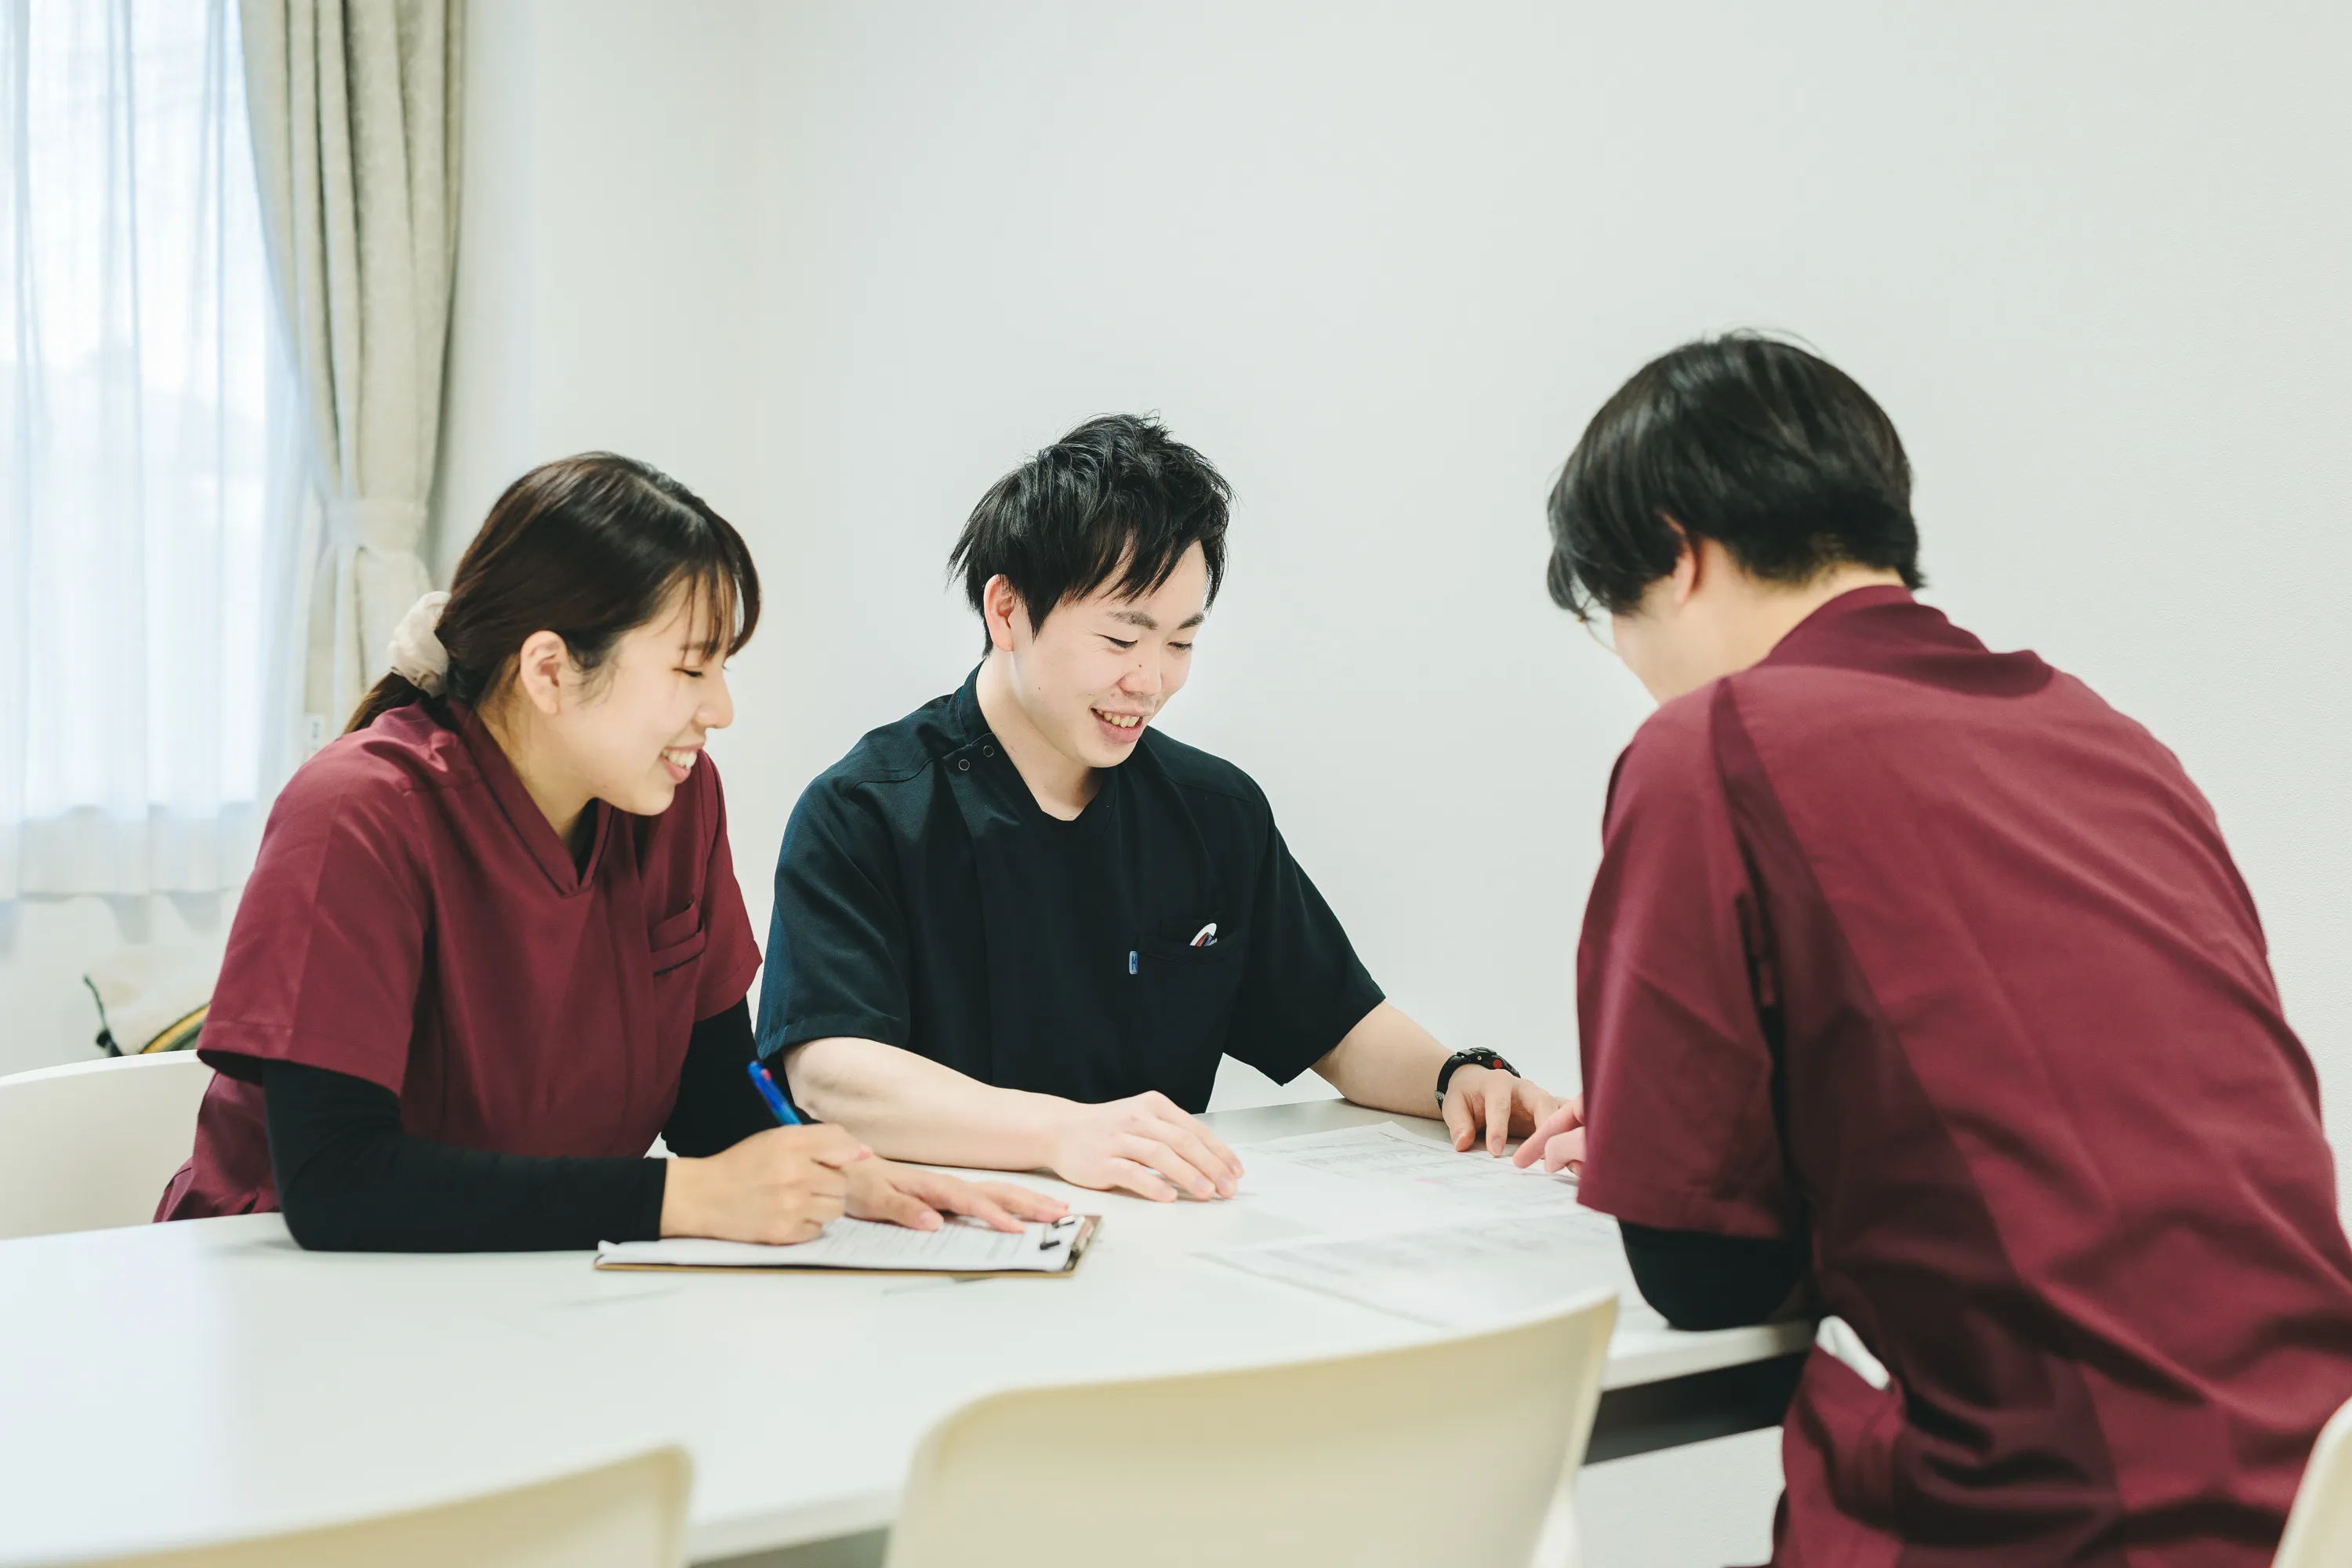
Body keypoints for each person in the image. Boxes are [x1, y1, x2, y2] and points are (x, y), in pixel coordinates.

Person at [1513, 335, 2352, 1563]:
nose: (1635, 672)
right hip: (2315, 1491)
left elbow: (1699, 1277)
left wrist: (1682, 1163)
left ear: (1678, 554)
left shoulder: (1713, 746)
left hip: (2071, 1517)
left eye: (1614, 619)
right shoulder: (2102, 734)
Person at [158, 453, 1062, 1249]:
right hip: (296, 1301)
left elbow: (714, 1100)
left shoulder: (675, 802)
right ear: (550, 669)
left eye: (723, 668)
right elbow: (335, 1182)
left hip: (536, 1289)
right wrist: (680, 1197)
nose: (721, 709)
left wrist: (839, 1172)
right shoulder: (357, 815)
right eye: (691, 668)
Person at [761, 414, 1561, 1202]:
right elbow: (831, 1071)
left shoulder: (1214, 812)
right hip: (945, 1240)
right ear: (1006, 611)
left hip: (1164, 1239)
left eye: (1180, 643)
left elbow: (1338, 1025)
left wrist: (1456, 1076)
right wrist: (1061, 1133)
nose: (1150, 682)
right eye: (1120, 640)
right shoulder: (867, 812)